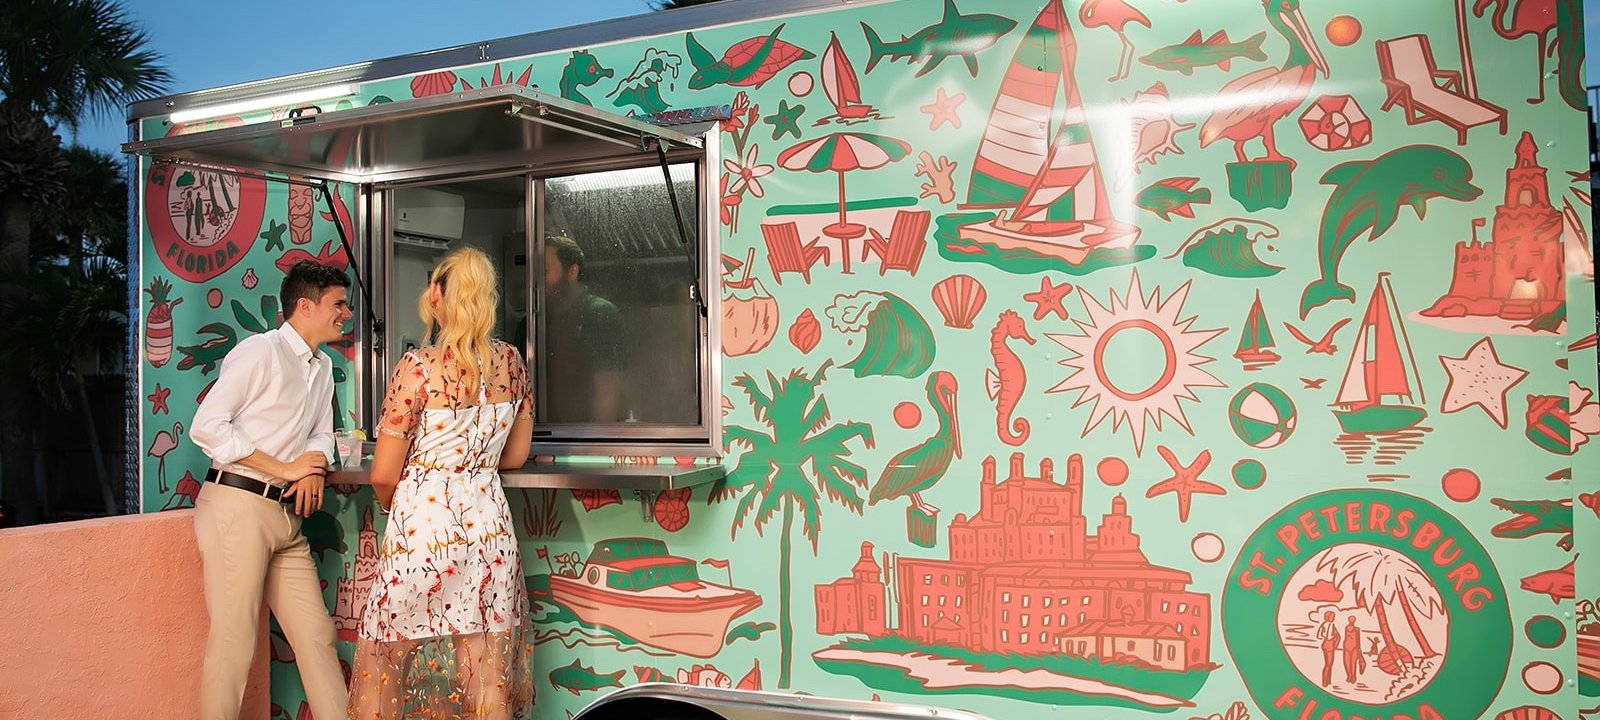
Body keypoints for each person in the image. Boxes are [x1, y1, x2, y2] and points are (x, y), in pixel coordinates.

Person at [349, 247, 535, 720]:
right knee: (485, 667)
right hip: (490, 531)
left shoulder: (418, 367)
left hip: (423, 530)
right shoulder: (512, 363)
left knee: (388, 658)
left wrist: (403, 504)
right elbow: (514, 456)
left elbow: (384, 473)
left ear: (436, 294)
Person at [189, 260, 352, 720]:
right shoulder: (259, 352)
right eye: (338, 305)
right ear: (305, 305)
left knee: (317, 637)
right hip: (237, 506)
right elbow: (207, 428)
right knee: (234, 646)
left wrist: (312, 471)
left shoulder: (321, 367)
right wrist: (285, 466)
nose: (346, 314)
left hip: (284, 516)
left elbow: (322, 434)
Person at [540, 234, 625, 423]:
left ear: (572, 272)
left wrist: (596, 444)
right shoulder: (531, 323)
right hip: (545, 439)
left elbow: (608, 386)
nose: (537, 279)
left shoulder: (599, 315)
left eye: (545, 271)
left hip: (584, 438)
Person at [1316, 609, 1340, 687]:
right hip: (1329, 645)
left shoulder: (1323, 624)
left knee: (1328, 663)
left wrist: (1324, 636)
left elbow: (1319, 635)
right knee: (1329, 664)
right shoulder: (1331, 625)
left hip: (1325, 644)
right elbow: (1331, 636)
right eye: (1333, 616)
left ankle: (1328, 680)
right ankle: (1325, 682)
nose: (1333, 618)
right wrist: (1333, 638)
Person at [1343, 615, 1366, 683]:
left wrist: (1359, 648)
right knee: (1347, 663)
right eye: (1350, 619)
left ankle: (1353, 676)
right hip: (1347, 647)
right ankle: (1349, 675)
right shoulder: (1346, 627)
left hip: (1354, 648)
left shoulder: (1357, 629)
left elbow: (1358, 639)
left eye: (1352, 619)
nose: (1351, 620)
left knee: (1353, 663)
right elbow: (1346, 637)